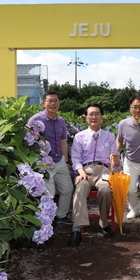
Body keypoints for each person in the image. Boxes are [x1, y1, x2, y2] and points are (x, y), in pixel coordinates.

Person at [68, 104, 121, 247]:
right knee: (80, 188)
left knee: (105, 190)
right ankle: (77, 229)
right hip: (85, 171)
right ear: (86, 118)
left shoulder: (109, 136)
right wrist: (81, 172)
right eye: (91, 114)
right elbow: (76, 158)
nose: (94, 117)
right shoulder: (79, 137)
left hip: (104, 171)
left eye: (97, 114)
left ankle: (104, 223)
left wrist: (116, 161)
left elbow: (116, 163)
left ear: (101, 117)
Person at [28, 90, 74, 226]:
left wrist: (66, 161)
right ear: (43, 103)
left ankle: (61, 216)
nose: (53, 103)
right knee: (49, 194)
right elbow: (29, 142)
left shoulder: (61, 121)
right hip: (44, 163)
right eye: (50, 101)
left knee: (68, 189)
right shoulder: (35, 120)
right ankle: (45, 222)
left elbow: (63, 142)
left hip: (59, 160)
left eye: (56, 101)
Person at [116, 94, 140, 224]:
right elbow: (119, 140)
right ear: (130, 109)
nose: (138, 110)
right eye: (134, 107)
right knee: (129, 188)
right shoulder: (123, 124)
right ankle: (134, 208)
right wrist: (114, 154)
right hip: (130, 161)